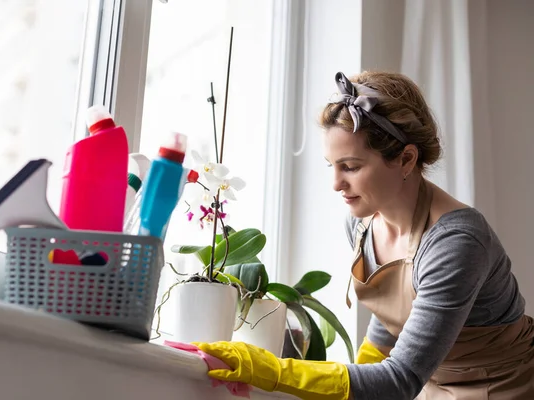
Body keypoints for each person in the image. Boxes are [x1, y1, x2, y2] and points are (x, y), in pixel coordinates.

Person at [193, 71, 534, 399]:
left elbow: (399, 380)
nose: (336, 184)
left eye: (351, 167)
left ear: (406, 159)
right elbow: (391, 328)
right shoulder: (362, 224)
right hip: (429, 387)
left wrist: (273, 371)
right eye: (332, 165)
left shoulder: (456, 243)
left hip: (500, 389)